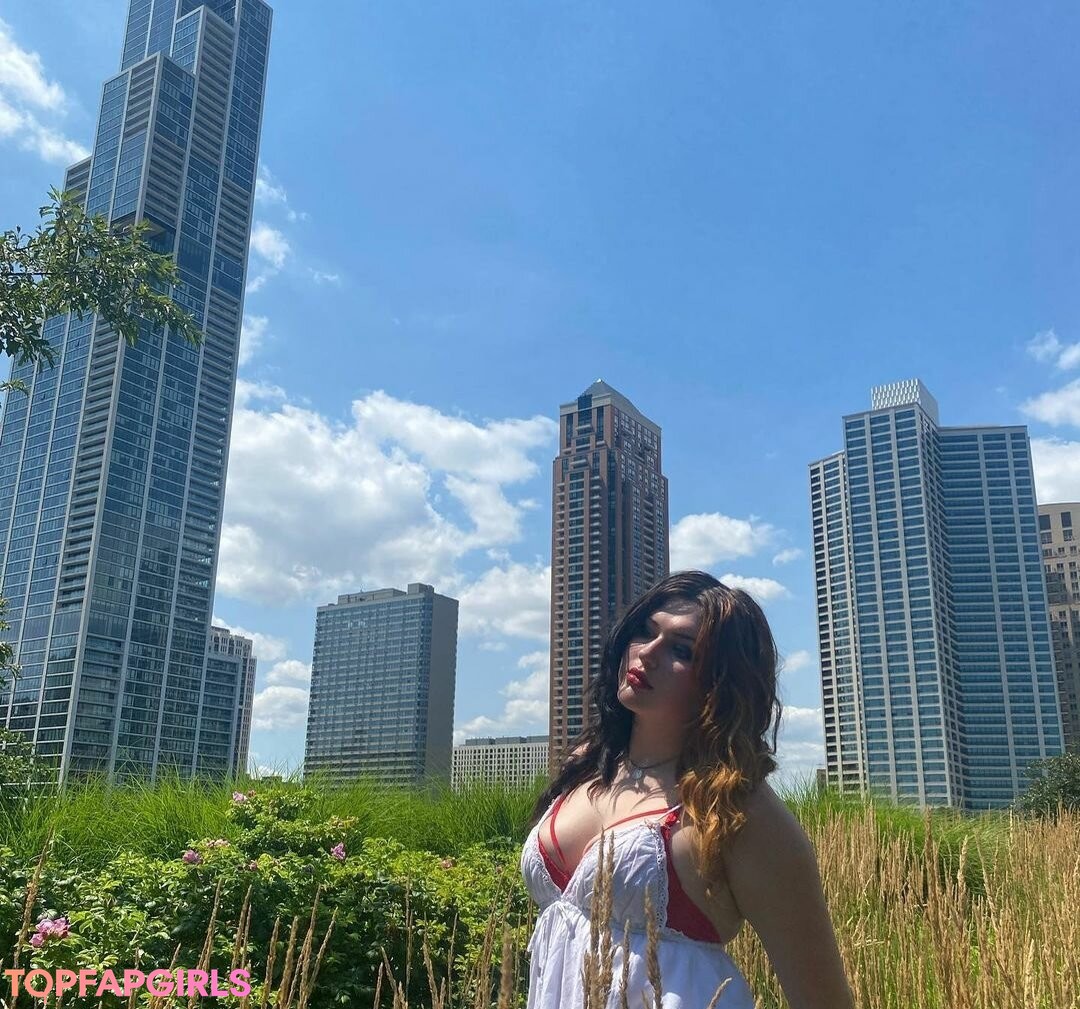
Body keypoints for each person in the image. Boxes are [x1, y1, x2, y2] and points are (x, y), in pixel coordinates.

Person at [519, 571, 854, 1008]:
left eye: (681, 650)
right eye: (646, 631)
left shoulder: (736, 812)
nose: (647, 653)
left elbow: (824, 999)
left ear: (720, 683)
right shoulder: (588, 761)